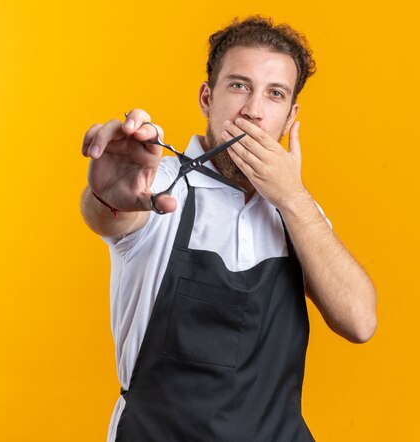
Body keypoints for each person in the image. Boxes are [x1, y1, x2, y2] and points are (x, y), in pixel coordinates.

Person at [80, 16, 377, 442]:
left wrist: (292, 197)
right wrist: (107, 193)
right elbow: (112, 212)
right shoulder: (160, 184)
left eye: (274, 94)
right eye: (239, 85)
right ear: (207, 97)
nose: (253, 110)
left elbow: (360, 321)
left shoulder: (296, 212)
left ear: (291, 115)